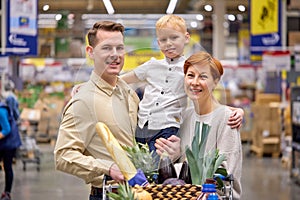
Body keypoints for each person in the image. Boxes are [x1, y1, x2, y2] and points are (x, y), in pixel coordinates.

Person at [121, 14, 243, 155]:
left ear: (186, 38)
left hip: (167, 129)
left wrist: (234, 111)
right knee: (138, 163)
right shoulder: (151, 66)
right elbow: (121, 80)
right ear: (158, 42)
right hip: (141, 126)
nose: (168, 43)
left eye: (174, 38)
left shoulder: (189, 71)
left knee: (157, 167)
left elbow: (206, 100)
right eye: (163, 39)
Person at [53, 21, 140, 200]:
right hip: (108, 193)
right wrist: (107, 168)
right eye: (106, 48)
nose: (115, 55)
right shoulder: (83, 101)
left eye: (119, 48)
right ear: (90, 52)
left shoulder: (129, 93)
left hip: (139, 192)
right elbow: (63, 155)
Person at [155, 51, 242, 199]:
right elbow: (181, 175)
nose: (195, 82)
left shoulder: (228, 119)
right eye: (190, 75)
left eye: (203, 76)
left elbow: (224, 175)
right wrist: (172, 156)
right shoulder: (185, 116)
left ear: (215, 81)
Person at [0, 94, 22, 200]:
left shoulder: (0, 111)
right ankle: (6, 193)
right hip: (6, 142)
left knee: (7, 167)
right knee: (7, 167)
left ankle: (7, 193)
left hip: (9, 143)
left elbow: (6, 129)